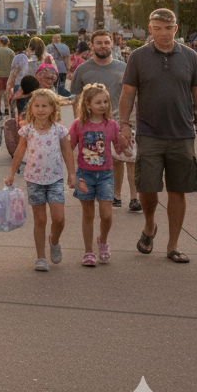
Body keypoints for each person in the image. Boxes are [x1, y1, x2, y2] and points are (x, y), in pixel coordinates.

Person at [119, 8, 197, 264]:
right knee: (147, 188)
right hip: (149, 134)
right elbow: (127, 93)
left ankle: (172, 245)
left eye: (168, 28)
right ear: (150, 29)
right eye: (157, 28)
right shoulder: (138, 57)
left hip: (182, 134)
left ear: (175, 29)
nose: (163, 33)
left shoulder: (191, 57)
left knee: (178, 190)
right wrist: (123, 124)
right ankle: (150, 225)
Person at [4, 88, 75, 271]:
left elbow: (67, 151)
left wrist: (72, 174)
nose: (41, 109)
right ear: (31, 108)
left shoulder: (59, 130)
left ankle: (54, 240)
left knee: (59, 219)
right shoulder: (27, 131)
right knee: (40, 219)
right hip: (34, 179)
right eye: (37, 106)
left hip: (55, 179)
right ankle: (41, 257)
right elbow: (19, 153)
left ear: (53, 109)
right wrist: (11, 174)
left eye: (45, 106)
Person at [68, 30, 136, 209]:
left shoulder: (123, 68)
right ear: (91, 46)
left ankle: (130, 197)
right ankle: (115, 195)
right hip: (93, 125)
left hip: (120, 120)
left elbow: (132, 95)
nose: (103, 46)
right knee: (110, 161)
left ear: (112, 44)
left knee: (128, 158)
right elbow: (76, 98)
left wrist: (129, 122)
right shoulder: (83, 69)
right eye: (99, 43)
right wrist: (79, 123)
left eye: (106, 42)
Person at [69, 83, 120, 265]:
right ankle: (88, 252)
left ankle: (102, 241)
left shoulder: (112, 125)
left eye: (106, 101)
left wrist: (125, 142)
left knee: (107, 215)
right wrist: (70, 173)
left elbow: (119, 149)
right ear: (88, 104)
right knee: (88, 215)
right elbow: (68, 148)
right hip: (85, 176)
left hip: (105, 175)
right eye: (98, 102)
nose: (103, 105)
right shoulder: (78, 124)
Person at [0, 35, 15, 115]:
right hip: (9, 75)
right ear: (8, 42)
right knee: (7, 92)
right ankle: (6, 108)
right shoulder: (11, 52)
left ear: (0, 42)